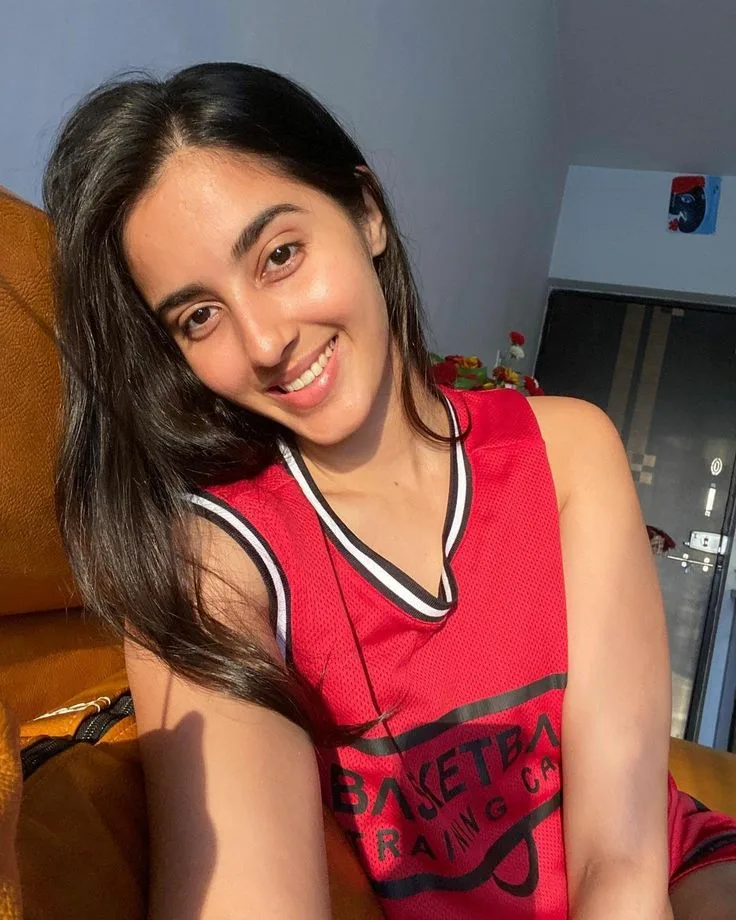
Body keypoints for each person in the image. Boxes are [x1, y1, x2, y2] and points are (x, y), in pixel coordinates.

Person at [44, 62, 736, 919]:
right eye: (199, 316)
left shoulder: (567, 450)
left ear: (366, 212)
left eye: (279, 254)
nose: (263, 342)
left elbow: (621, 862)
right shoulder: (217, 556)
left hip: (669, 869)